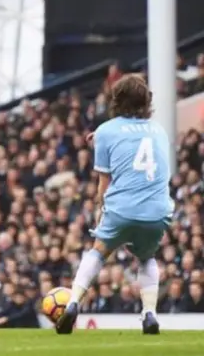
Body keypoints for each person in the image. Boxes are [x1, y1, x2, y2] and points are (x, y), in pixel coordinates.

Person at [56, 75, 173, 335]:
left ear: (116, 99)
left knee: (98, 251)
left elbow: (103, 183)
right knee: (146, 257)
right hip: (157, 209)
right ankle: (150, 313)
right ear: (146, 101)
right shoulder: (159, 130)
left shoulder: (106, 131)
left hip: (122, 208)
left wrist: (101, 210)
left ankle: (73, 303)